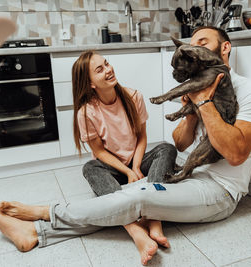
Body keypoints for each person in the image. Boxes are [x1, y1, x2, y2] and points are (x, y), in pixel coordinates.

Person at [0, 26, 251, 266]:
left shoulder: (250, 90)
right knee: (130, 196)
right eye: (191, 44)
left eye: (202, 43)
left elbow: (235, 155)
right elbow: (181, 144)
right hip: (189, 174)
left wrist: (205, 103)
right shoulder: (198, 89)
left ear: (225, 47)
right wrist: (194, 109)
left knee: (137, 198)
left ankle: (44, 213)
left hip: (220, 192)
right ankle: (37, 234)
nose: (192, 50)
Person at [71, 50, 177, 263]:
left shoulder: (133, 96)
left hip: (136, 161)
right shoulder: (85, 112)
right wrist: (127, 171)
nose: (108, 70)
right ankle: (134, 230)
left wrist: (136, 166)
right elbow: (99, 152)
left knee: (166, 148)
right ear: (90, 83)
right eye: (99, 70)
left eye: (107, 64)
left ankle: (153, 217)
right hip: (113, 167)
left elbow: (142, 137)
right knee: (90, 167)